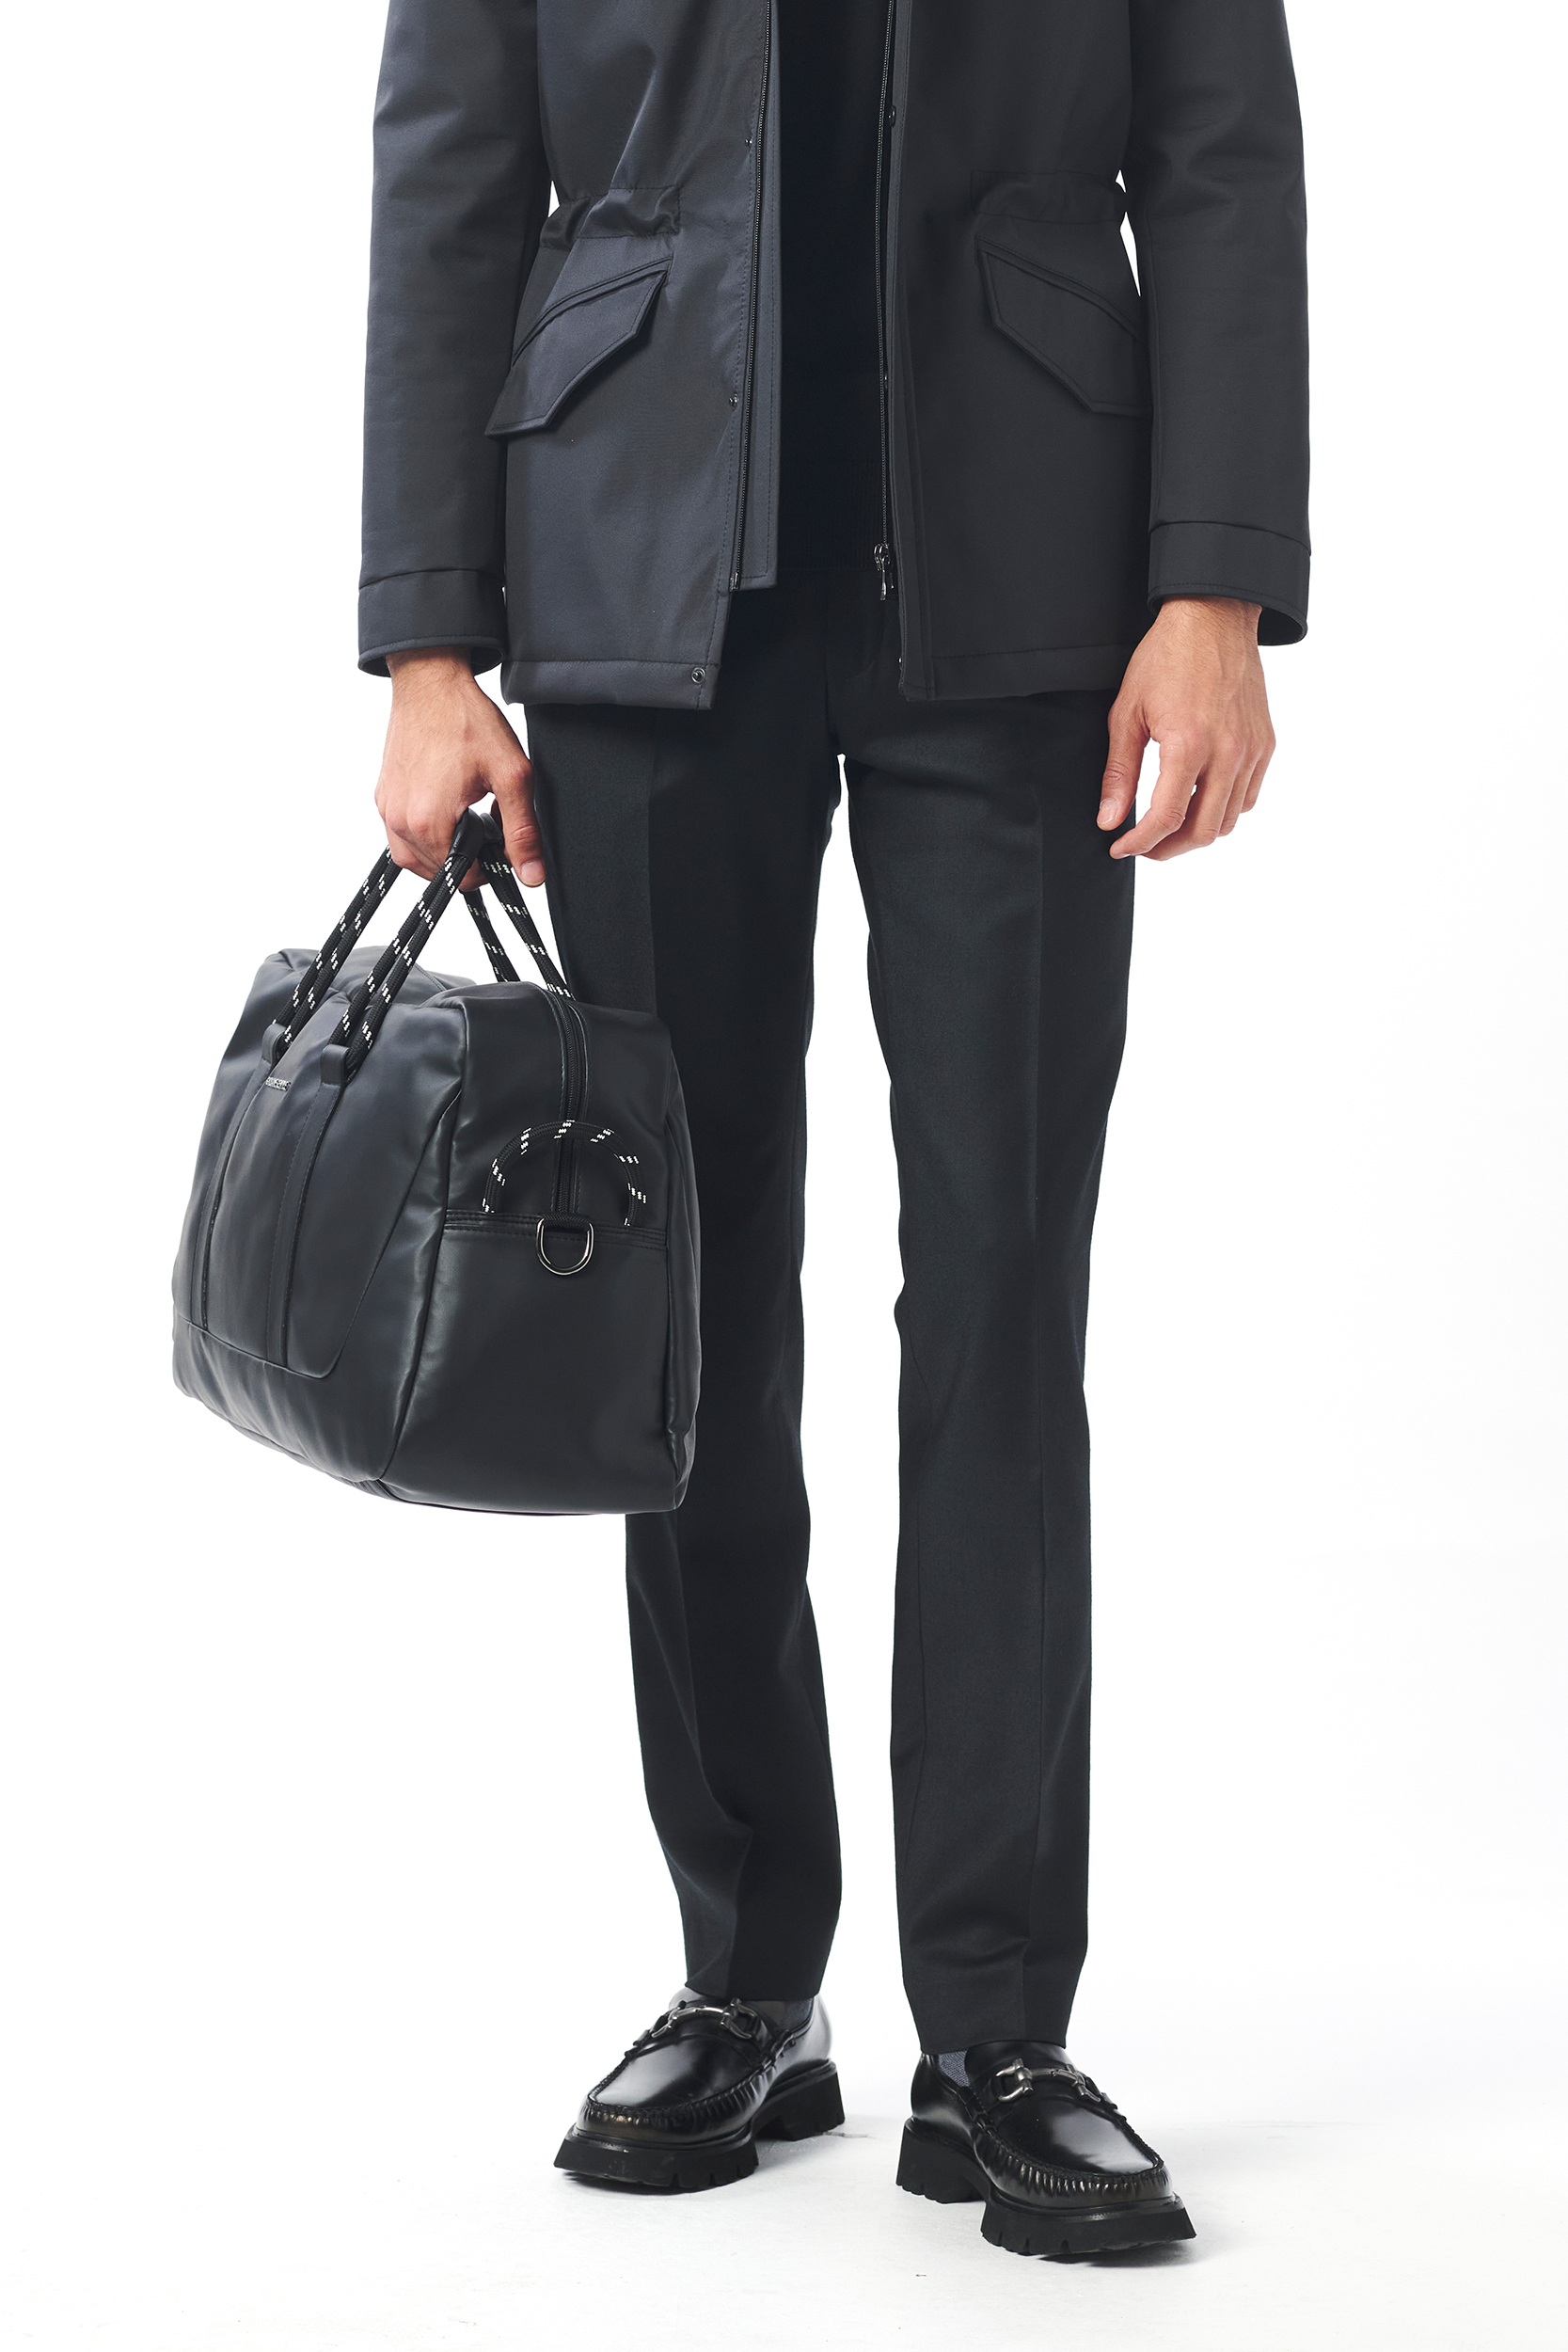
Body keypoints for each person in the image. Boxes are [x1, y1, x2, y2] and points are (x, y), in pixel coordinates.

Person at [360, 0, 1307, 2260]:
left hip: (1030, 579)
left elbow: (1219, 144)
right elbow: (451, 166)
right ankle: (746, 1976)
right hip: (634, 578)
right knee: (677, 1318)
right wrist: (426, 640)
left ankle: (995, 2030)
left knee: (1001, 1292)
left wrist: (1216, 582)